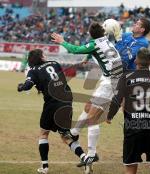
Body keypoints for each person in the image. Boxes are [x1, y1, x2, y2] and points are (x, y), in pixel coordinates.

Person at [51, 21, 123, 166]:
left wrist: (62, 41)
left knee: (92, 119)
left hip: (111, 83)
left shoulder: (93, 44)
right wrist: (87, 57)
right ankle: (74, 132)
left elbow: (76, 50)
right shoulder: (105, 41)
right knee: (88, 106)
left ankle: (91, 154)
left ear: (90, 34)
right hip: (113, 80)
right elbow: (94, 50)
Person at [17, 49, 85, 174]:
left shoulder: (33, 71)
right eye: (43, 54)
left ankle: (44, 167)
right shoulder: (54, 63)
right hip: (67, 101)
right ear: (41, 57)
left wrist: (20, 87)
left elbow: (27, 85)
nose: (45, 55)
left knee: (43, 134)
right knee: (65, 136)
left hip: (52, 104)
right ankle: (84, 157)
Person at [106, 48, 150, 174]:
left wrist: (109, 116)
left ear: (136, 61)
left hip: (132, 129)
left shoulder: (126, 77)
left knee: (131, 169)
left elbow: (117, 99)